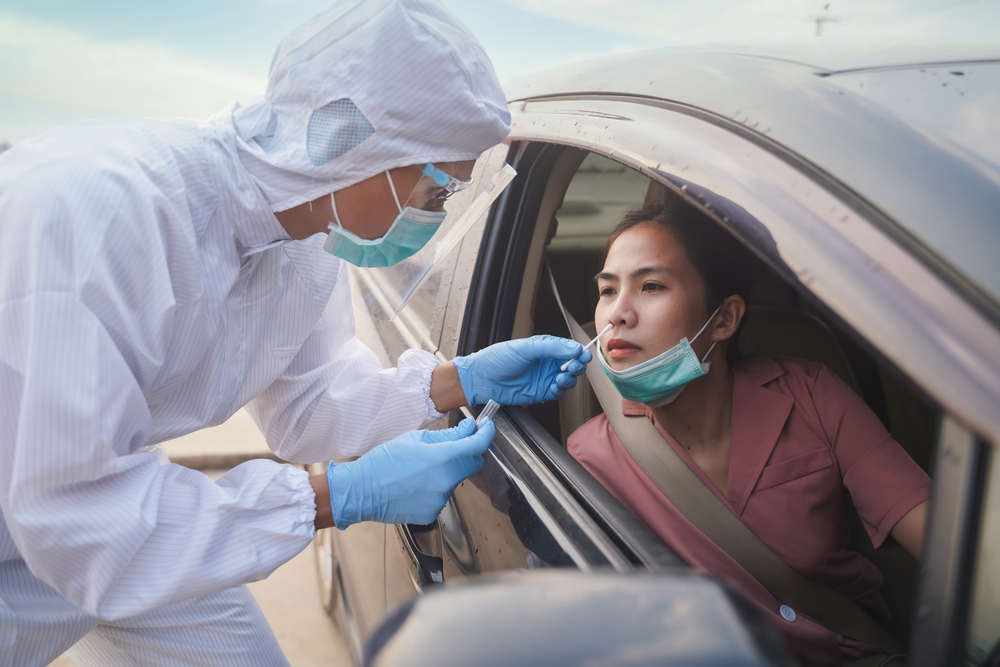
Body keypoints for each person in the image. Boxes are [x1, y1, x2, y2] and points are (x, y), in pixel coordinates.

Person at [0, 1, 592, 666]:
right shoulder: (100, 213)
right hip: (50, 524)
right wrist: (340, 496)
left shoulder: (308, 236)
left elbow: (306, 402)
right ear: (350, 138)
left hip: (119, 511)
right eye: (436, 189)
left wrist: (462, 377)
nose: (439, 213)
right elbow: (73, 518)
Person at [566, 201, 930, 667]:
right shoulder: (589, 458)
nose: (616, 314)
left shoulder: (809, 394)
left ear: (724, 319)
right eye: (606, 290)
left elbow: (945, 544)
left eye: (651, 286)